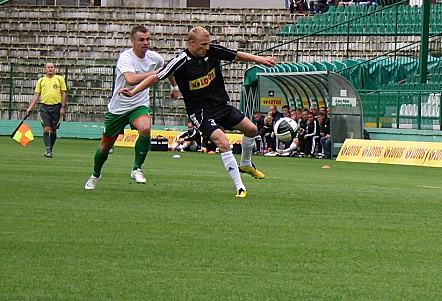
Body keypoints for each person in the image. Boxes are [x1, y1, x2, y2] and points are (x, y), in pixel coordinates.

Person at [119, 26, 277, 198]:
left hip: (221, 105)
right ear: (192, 44)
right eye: (203, 45)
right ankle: (240, 187)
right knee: (223, 142)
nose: (207, 48)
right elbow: (155, 78)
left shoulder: (212, 51)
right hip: (201, 111)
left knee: (252, 130)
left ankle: (246, 164)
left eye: (208, 44)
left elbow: (237, 55)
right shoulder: (180, 61)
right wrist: (133, 91)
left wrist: (262, 60)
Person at [84, 25, 179, 190]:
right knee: (105, 147)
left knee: (145, 128)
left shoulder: (153, 57)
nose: (146, 43)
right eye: (142, 40)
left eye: (148, 39)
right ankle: (95, 175)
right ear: (133, 41)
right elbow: (131, 79)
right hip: (118, 108)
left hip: (139, 105)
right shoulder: (125, 57)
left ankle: (137, 169)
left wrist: (174, 87)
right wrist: (156, 73)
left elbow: (167, 69)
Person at [26, 62, 67, 158]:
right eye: (48, 67)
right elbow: (37, 95)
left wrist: (63, 107)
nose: (50, 69)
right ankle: (48, 150)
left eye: (52, 67)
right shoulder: (41, 81)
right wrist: (30, 107)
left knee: (53, 130)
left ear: (55, 68)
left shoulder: (59, 79)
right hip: (44, 107)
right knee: (46, 128)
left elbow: (63, 93)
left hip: (56, 107)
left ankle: (50, 149)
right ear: (45, 69)